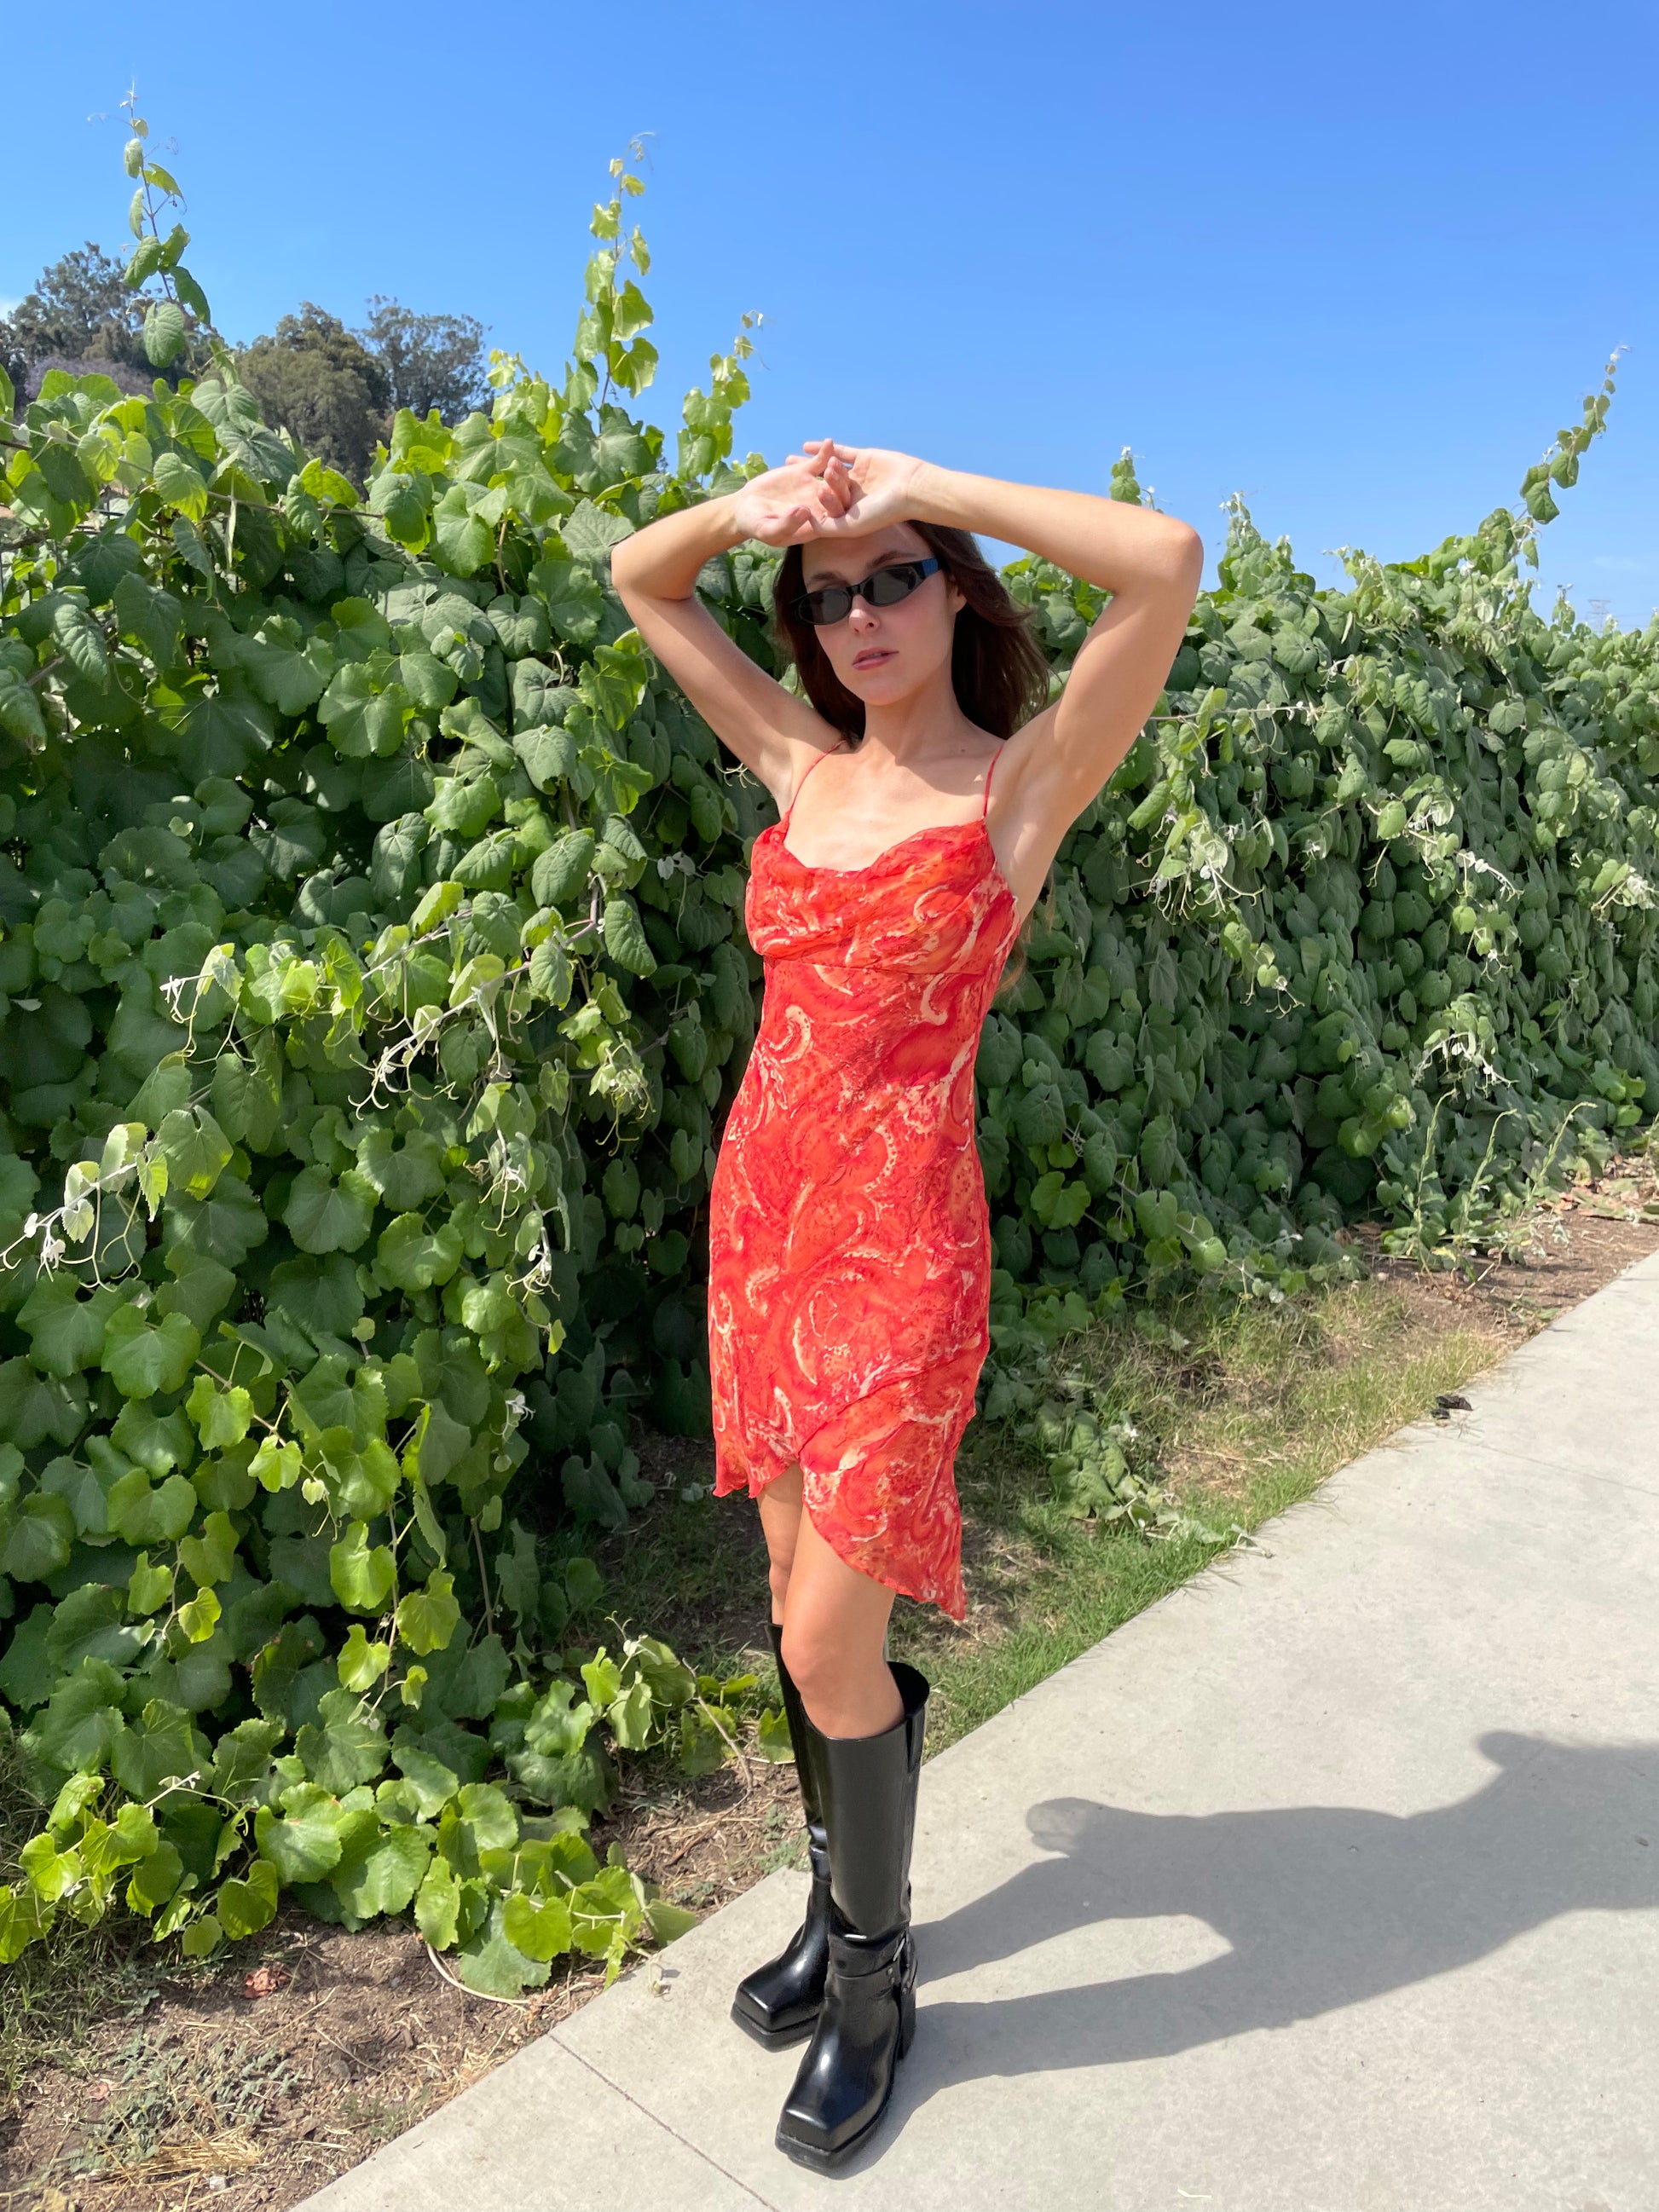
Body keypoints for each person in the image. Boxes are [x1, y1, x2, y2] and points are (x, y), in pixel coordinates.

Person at [610, 441, 1202, 2169]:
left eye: (894, 576)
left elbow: (1161, 560)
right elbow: (640, 580)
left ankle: (873, 1990)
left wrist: (913, 474)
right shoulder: (795, 762)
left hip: (902, 1253)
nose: (857, 610)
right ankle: (836, 1913)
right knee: (796, 1599)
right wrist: (750, 517)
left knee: (822, 1637)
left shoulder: (1019, 788)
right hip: (763, 1234)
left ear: (953, 591)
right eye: (829, 590)